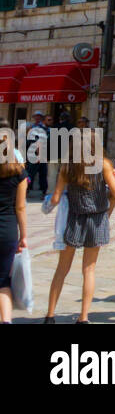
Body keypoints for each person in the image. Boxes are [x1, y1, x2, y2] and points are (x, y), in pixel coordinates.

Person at [45, 129, 115, 322]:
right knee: (89, 269)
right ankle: (83, 317)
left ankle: (50, 314)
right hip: (97, 219)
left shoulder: (68, 167)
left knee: (62, 268)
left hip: (74, 218)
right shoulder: (103, 164)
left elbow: (55, 197)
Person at [0, 130, 28, 325]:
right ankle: (6, 321)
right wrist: (24, 236)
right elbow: (20, 207)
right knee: (3, 280)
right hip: (7, 230)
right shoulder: (20, 173)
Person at [24, 112, 49, 200]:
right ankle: (26, 190)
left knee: (42, 174)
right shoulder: (32, 126)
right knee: (31, 173)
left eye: (39, 116)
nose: (37, 118)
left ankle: (43, 191)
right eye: (36, 116)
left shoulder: (43, 127)